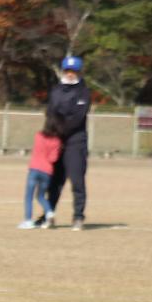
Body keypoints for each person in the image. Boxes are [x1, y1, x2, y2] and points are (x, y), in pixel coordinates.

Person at [44, 54, 91, 229]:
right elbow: (50, 112)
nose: (70, 74)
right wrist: (51, 134)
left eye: (74, 71)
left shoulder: (84, 92)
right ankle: (49, 214)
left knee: (77, 180)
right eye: (68, 70)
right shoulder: (56, 90)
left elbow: (77, 118)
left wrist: (62, 130)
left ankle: (78, 216)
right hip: (56, 140)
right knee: (54, 181)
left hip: (75, 142)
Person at [20, 109, 62, 228]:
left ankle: (28, 220)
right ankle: (49, 213)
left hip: (34, 169)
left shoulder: (38, 136)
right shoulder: (57, 141)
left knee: (29, 196)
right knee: (41, 196)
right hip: (47, 171)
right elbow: (53, 159)